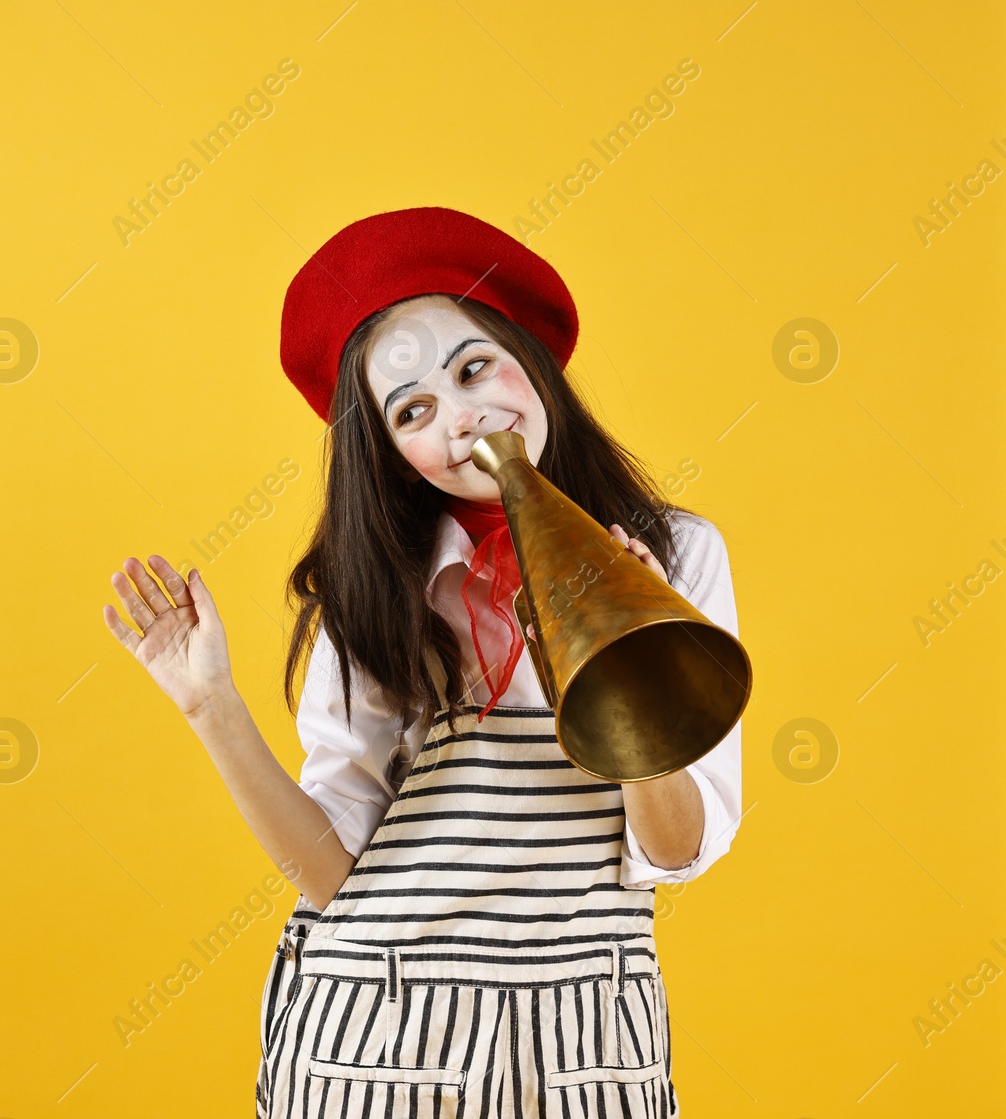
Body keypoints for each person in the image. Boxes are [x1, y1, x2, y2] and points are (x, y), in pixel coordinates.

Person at [101, 206, 741, 1117]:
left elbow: (675, 848)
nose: (465, 416)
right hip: (380, 1028)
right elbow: (335, 877)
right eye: (415, 410)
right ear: (400, 459)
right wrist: (211, 706)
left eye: (474, 366)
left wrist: (630, 653)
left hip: (586, 1034)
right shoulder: (376, 599)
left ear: (531, 361)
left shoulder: (678, 557)